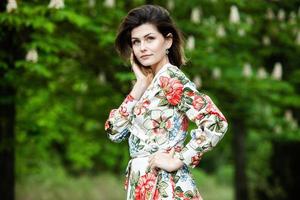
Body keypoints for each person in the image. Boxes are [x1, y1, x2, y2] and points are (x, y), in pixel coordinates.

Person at [105, 4, 228, 200]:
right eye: (136, 42)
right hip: (143, 184)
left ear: (168, 41)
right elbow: (114, 131)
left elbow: (216, 122)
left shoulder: (170, 79)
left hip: (165, 186)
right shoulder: (149, 83)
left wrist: (178, 159)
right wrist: (139, 85)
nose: (142, 48)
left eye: (150, 39)